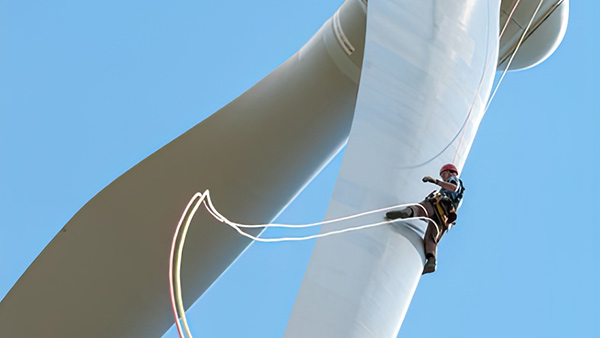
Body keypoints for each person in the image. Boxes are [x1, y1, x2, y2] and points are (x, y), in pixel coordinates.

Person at [385, 164, 465, 275]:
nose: (443, 178)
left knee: (422, 208)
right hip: (445, 219)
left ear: (451, 172)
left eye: (444, 175)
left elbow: (453, 187)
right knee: (430, 238)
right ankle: (431, 261)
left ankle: (407, 212)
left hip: (440, 205)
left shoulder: (454, 180)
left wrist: (436, 182)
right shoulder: (460, 196)